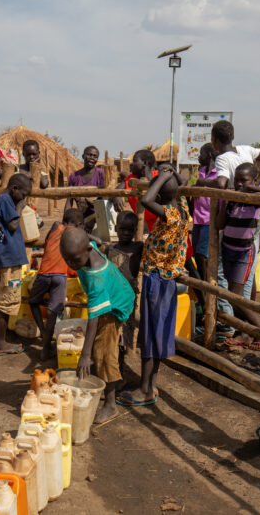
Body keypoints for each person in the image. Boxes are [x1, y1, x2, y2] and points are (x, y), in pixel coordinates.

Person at [117, 165, 189, 407]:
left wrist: (162, 178)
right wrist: (171, 174)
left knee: (149, 334)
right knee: (156, 333)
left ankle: (145, 389)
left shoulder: (170, 213)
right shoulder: (183, 207)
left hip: (157, 280)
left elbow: (146, 200)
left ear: (159, 194)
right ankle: (151, 384)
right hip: (165, 281)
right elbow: (183, 182)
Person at [207, 121, 260, 335]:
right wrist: (255, 183)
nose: (239, 184)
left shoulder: (222, 158)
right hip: (240, 215)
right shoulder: (246, 150)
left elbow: (221, 184)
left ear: (215, 140)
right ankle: (244, 328)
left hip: (245, 215)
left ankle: (245, 327)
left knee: (234, 278)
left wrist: (252, 187)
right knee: (244, 276)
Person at [60, 227, 135, 424]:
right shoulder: (90, 247)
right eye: (67, 260)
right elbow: (98, 241)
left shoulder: (96, 278)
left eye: (75, 260)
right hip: (114, 294)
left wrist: (85, 355)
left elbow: (93, 319)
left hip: (115, 306)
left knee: (103, 352)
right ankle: (108, 383)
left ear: (87, 250)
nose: (71, 264)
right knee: (98, 347)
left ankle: (110, 404)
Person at [217, 163, 260, 350]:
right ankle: (244, 332)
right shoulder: (233, 200)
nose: (240, 184)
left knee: (235, 295)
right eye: (237, 181)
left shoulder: (255, 199)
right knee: (231, 294)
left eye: (245, 181)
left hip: (244, 252)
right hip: (228, 249)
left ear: (254, 181)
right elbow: (219, 224)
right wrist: (224, 201)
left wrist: (253, 188)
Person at [0, 173, 32, 356]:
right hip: (10, 258)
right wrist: (20, 207)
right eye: (23, 194)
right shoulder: (5, 201)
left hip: (2, 256)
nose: (24, 198)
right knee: (7, 301)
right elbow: (12, 225)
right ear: (14, 188)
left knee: (1, 299)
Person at [29, 208, 84, 360]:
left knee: (33, 302)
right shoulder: (75, 235)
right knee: (52, 313)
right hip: (60, 275)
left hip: (44, 273)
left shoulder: (55, 227)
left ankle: (42, 331)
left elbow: (49, 238)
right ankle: (46, 347)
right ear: (78, 224)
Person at [105, 211, 143, 366]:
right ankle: (113, 365)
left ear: (135, 231)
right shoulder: (110, 250)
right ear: (116, 229)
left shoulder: (138, 248)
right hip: (113, 298)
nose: (126, 233)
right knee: (112, 333)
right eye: (122, 229)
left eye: (130, 230)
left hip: (128, 299)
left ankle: (120, 367)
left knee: (126, 332)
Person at [191, 143, 217, 284]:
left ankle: (204, 286)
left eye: (202, 154)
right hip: (198, 219)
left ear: (210, 155)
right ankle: (201, 285)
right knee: (197, 254)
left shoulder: (218, 173)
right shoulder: (202, 170)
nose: (199, 157)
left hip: (209, 219)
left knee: (202, 255)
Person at [65, 146, 104, 231]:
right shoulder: (74, 177)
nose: (92, 158)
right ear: (83, 156)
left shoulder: (101, 174)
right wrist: (65, 220)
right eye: (89, 155)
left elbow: (105, 200)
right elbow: (69, 201)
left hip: (99, 218)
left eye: (95, 156)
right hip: (80, 219)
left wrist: (93, 219)